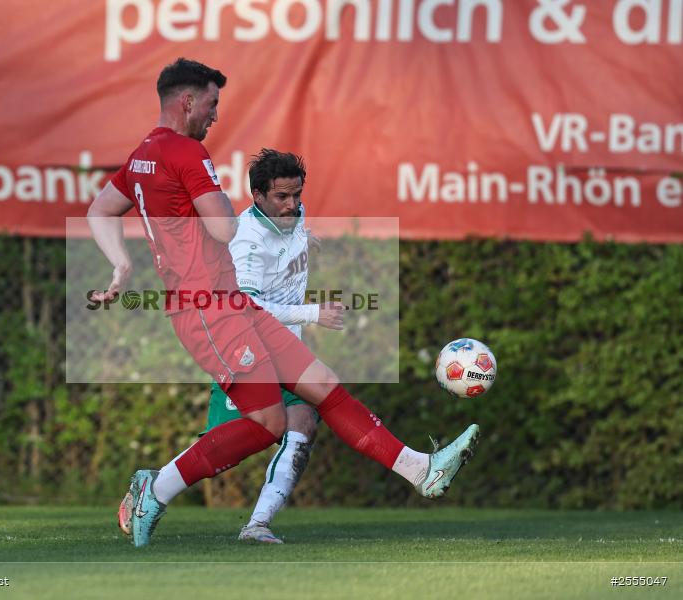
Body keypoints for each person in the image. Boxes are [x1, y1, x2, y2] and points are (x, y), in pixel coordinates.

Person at [88, 58, 480, 548]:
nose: (214, 116)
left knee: (323, 387)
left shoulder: (142, 155)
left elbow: (100, 209)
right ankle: (157, 487)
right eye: (211, 105)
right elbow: (223, 227)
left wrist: (121, 265)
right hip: (205, 308)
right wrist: (217, 203)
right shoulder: (187, 152)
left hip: (227, 303)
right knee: (269, 424)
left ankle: (420, 470)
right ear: (187, 101)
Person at [119, 149, 343, 544]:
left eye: (298, 195)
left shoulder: (292, 217)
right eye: (283, 197)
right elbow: (248, 304)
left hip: (287, 357)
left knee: (304, 421)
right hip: (247, 351)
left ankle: (257, 524)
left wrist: (305, 241)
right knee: (226, 446)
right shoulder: (244, 239)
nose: (293, 205)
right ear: (257, 195)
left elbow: (287, 246)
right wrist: (312, 314)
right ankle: (152, 487)